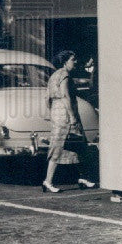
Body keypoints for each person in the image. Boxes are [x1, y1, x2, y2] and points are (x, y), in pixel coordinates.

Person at [42, 50, 96, 193]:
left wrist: (53, 112)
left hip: (56, 112)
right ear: (65, 62)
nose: (76, 62)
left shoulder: (54, 76)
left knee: (78, 145)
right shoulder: (64, 75)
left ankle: (83, 177)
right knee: (59, 147)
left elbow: (47, 98)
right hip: (65, 114)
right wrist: (71, 116)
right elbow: (66, 96)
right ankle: (48, 181)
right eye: (73, 59)